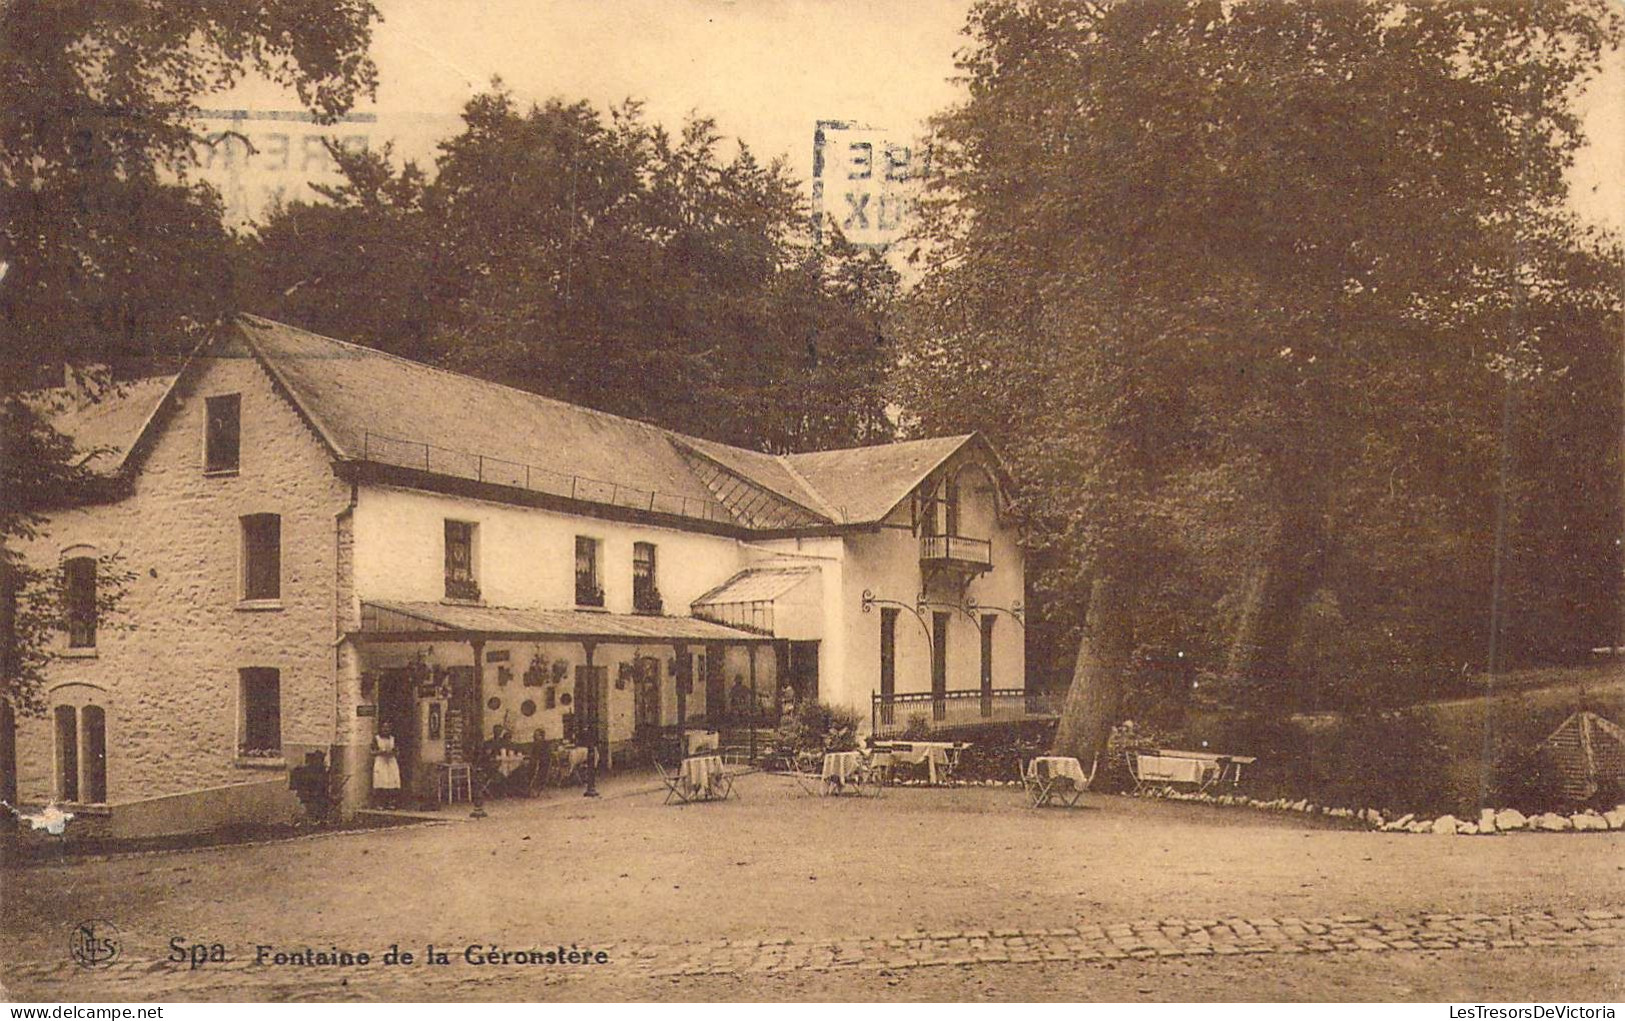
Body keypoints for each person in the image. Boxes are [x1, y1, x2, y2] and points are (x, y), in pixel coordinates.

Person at [372, 721, 402, 809]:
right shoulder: (377, 739)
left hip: (391, 761)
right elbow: (372, 751)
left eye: (388, 728)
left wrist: (393, 753)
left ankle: (391, 803)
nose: (386, 730)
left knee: (392, 781)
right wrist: (380, 752)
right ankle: (380, 803)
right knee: (381, 781)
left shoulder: (393, 739)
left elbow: (397, 751)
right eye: (384, 728)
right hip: (380, 761)